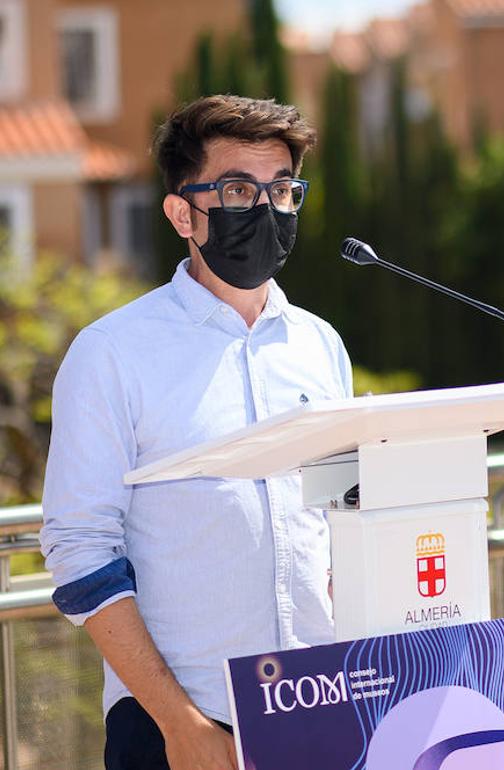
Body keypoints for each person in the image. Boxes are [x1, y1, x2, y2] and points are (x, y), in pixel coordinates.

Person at [40, 95, 352, 770]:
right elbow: (80, 549)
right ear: (183, 212)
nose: (265, 208)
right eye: (238, 188)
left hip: (321, 709)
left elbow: (339, 512)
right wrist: (181, 725)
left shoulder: (321, 346)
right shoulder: (113, 353)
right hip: (181, 725)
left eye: (282, 190)